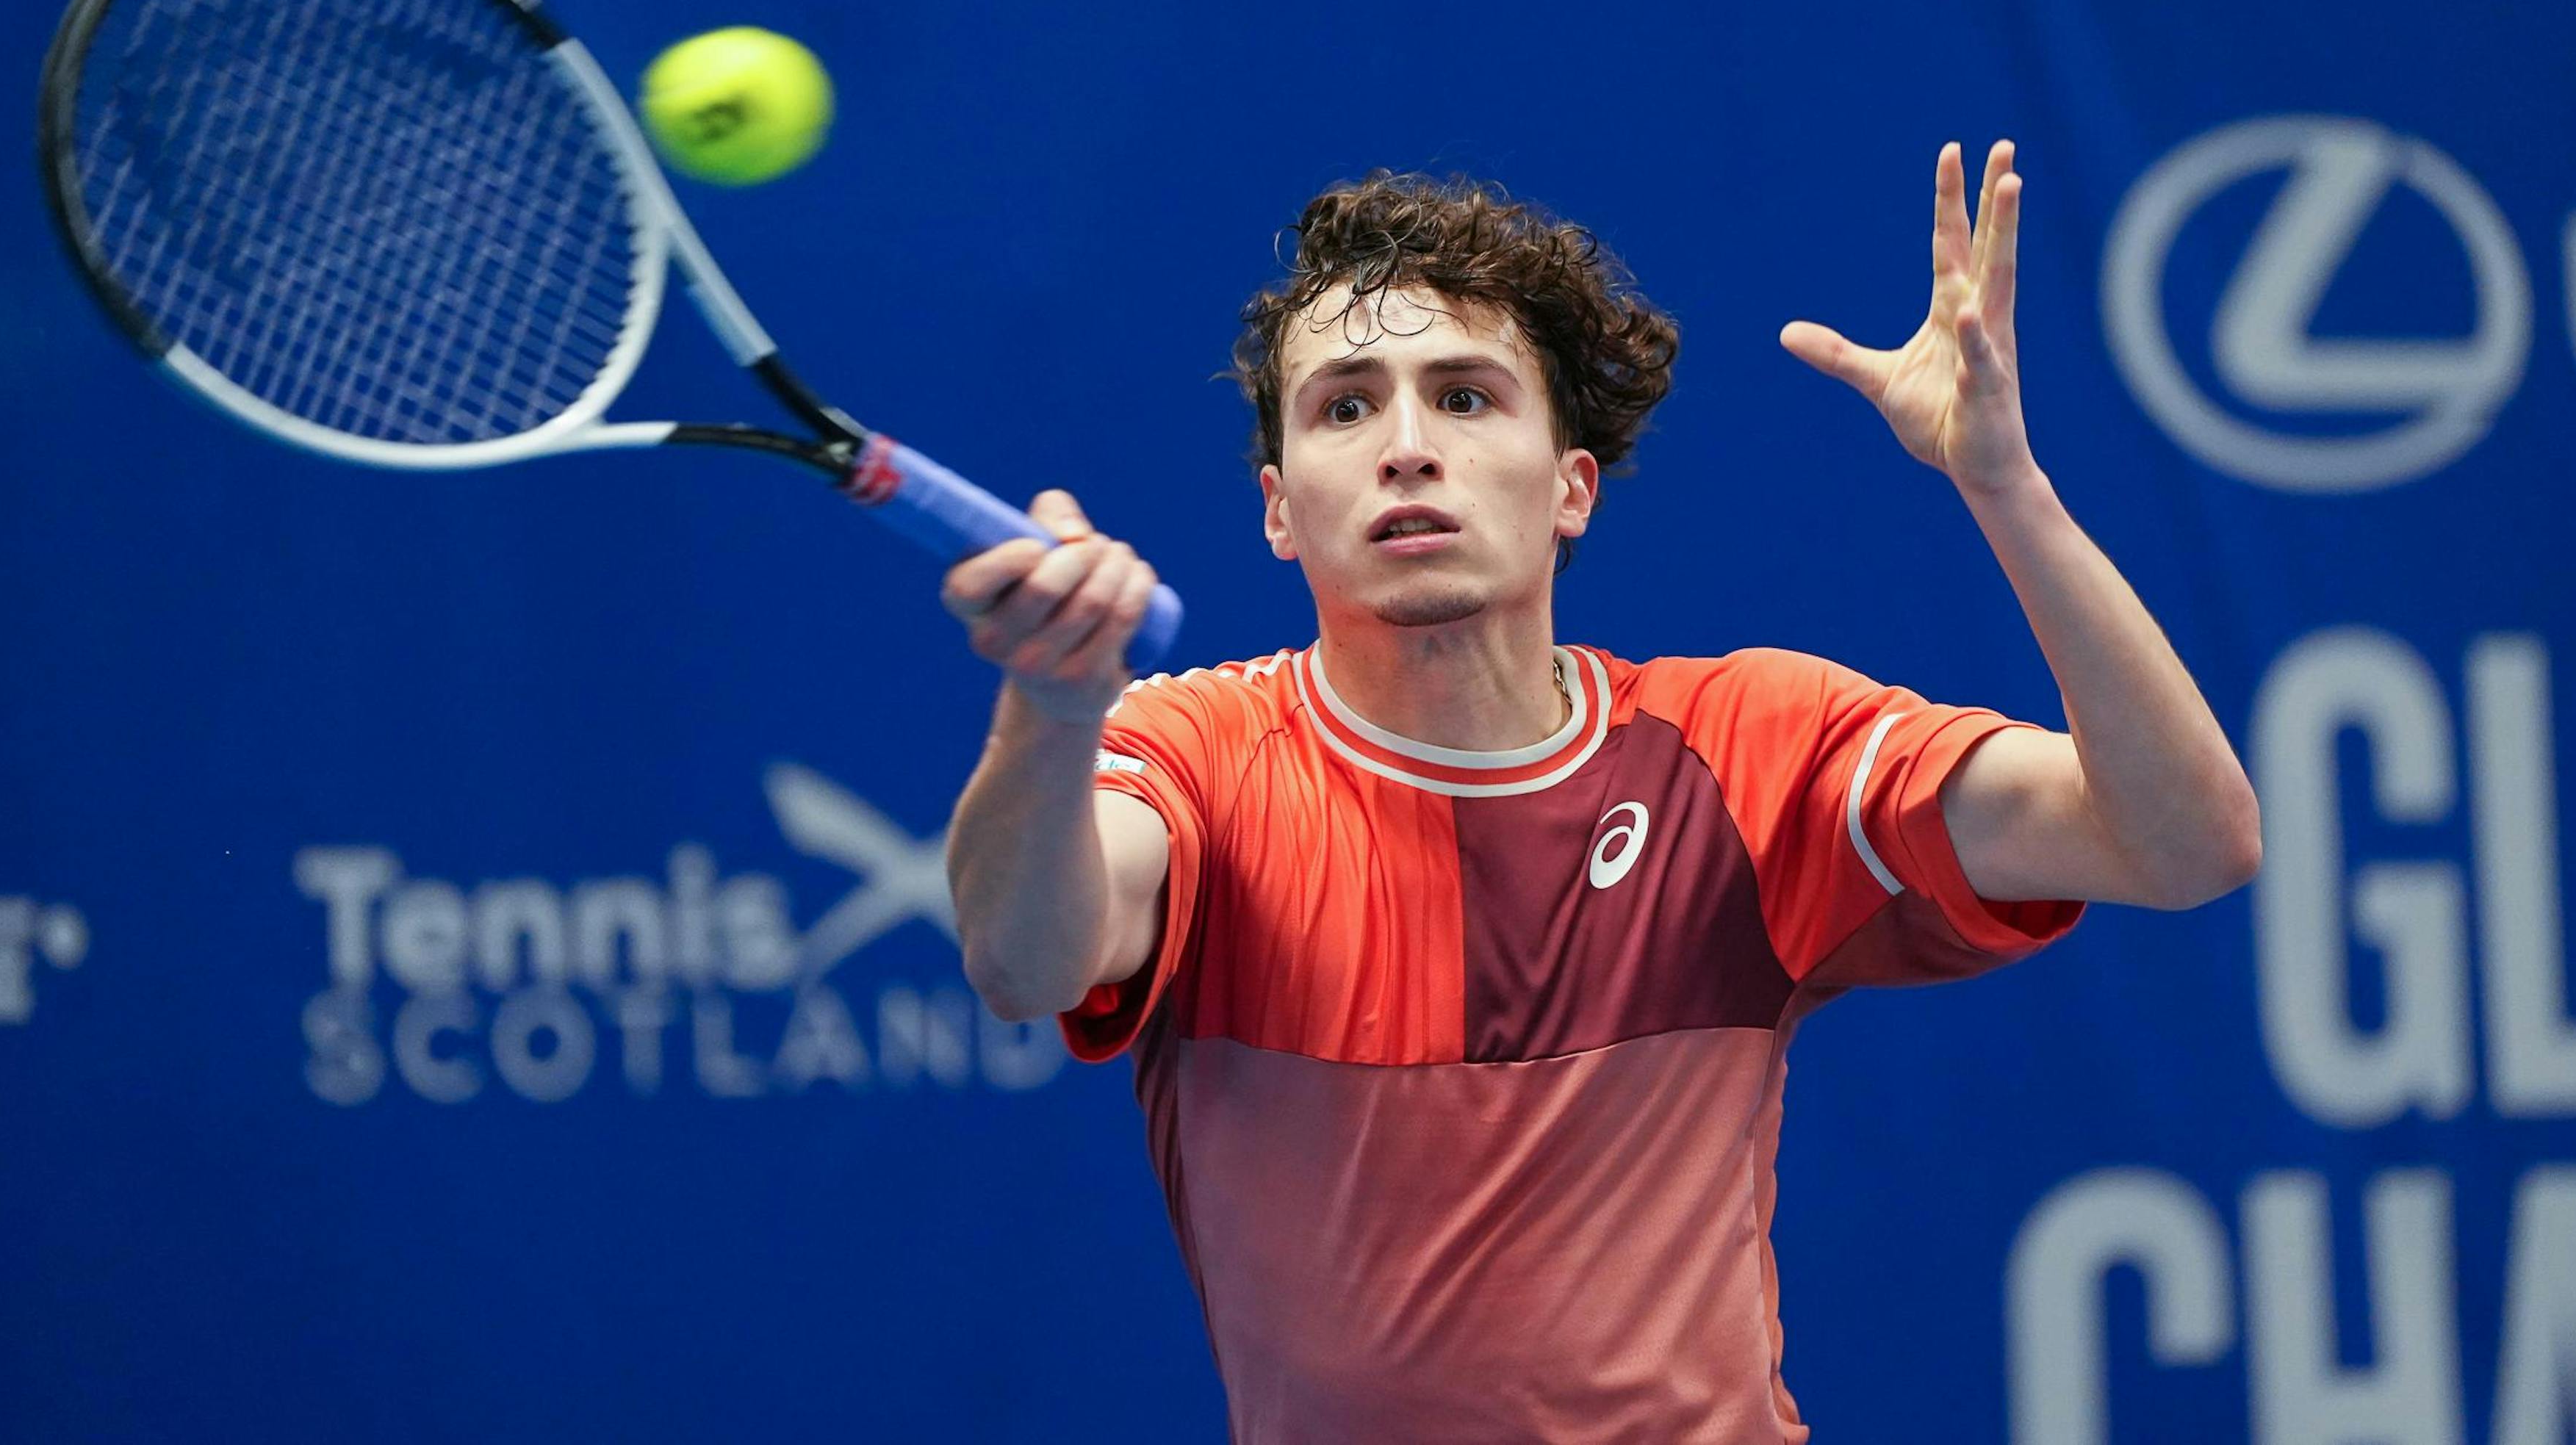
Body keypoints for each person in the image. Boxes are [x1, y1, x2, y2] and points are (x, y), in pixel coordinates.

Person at [940, 143, 2260, 1443]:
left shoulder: (1753, 750)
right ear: (1281, 510)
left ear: (1571, 488)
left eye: (1466, 397)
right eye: (1347, 406)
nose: (1406, 448)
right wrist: (1053, 710)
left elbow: (2188, 844)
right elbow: (1022, 957)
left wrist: (2004, 485)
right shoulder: (1199, 753)